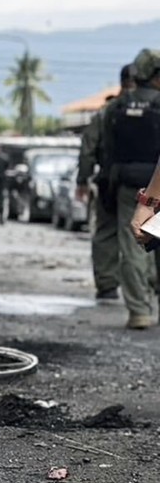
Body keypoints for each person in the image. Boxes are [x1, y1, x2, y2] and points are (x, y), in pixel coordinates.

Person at [107, 49, 160, 329]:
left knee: (134, 247)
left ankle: (140, 311)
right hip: (155, 183)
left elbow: (107, 150)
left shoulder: (117, 106)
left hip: (130, 186)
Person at [76, 64, 136, 301]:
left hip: (110, 180)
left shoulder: (107, 112)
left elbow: (88, 148)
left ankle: (107, 284)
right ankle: (146, 285)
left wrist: (83, 178)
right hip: (147, 181)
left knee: (106, 233)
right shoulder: (153, 108)